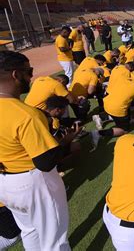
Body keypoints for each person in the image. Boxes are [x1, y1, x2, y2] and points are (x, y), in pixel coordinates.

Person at [0, 51, 70, 250]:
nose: (31, 76)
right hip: (32, 183)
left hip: (5, 185)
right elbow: (46, 162)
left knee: (29, 230)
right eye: (28, 71)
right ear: (15, 74)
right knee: (54, 240)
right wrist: (64, 142)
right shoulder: (26, 114)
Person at [90, 74, 134, 152]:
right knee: (124, 130)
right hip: (117, 109)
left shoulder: (124, 78)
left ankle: (101, 117)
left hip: (106, 102)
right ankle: (99, 133)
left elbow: (109, 90)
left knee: (126, 103)